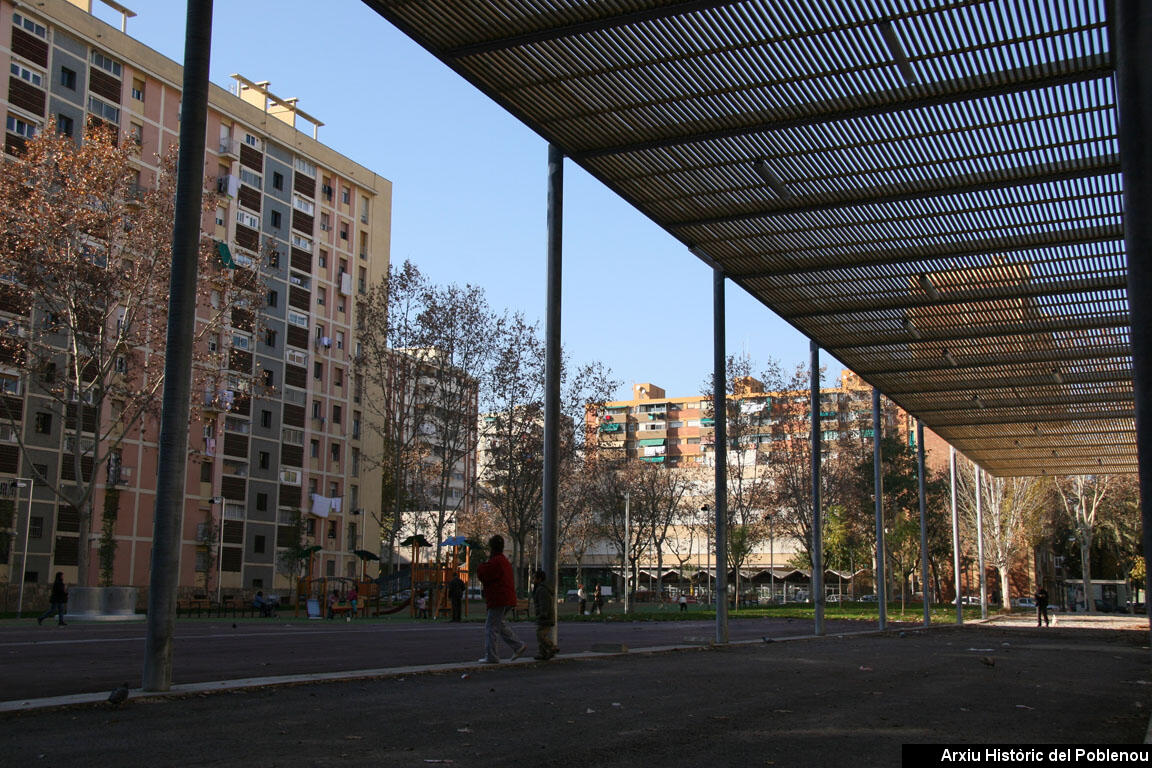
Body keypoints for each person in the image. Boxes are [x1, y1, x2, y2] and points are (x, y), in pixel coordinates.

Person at [475, 534, 526, 663]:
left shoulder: (495, 561)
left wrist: (480, 565)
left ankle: (492, 656)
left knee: (491, 627)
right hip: (507, 598)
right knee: (499, 625)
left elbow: (484, 574)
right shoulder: (503, 561)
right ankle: (518, 646)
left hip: (499, 598)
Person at [530, 569, 558, 660]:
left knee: (540, 635)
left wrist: (543, 614)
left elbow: (544, 604)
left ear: (540, 579)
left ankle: (551, 647)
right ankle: (543, 653)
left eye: (534, 578)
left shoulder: (542, 590)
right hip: (544, 616)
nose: (533, 580)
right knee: (540, 635)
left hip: (545, 617)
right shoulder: (540, 588)